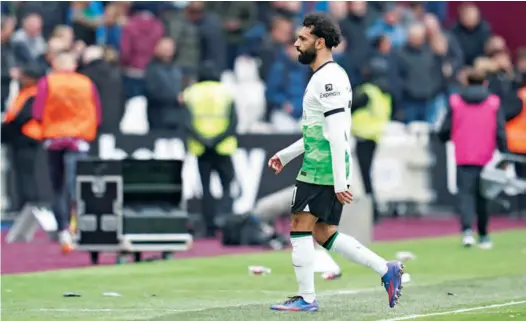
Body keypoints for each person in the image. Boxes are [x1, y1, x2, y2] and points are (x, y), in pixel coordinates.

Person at [267, 13, 404, 312]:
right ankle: (386, 269)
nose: (296, 43)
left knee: (299, 225)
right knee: (322, 232)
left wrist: (341, 181)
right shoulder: (326, 76)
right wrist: (286, 154)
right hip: (323, 162)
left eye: (302, 39)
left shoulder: (328, 79)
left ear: (319, 42)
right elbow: (319, 131)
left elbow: (339, 134)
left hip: (322, 166)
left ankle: (306, 298)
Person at [32, 52, 101, 254]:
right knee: (78, 184)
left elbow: (37, 111)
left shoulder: (48, 82)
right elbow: (96, 113)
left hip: (54, 139)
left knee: (58, 186)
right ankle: (77, 225)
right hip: (79, 140)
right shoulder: (86, 83)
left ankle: (63, 228)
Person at [438, 68, 508, 249]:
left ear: (466, 82)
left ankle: (467, 231)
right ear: (485, 83)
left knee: (466, 195)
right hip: (486, 156)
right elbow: (500, 130)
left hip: (463, 154)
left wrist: (446, 138)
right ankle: (484, 235)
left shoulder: (456, 102)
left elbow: (445, 129)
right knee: (483, 196)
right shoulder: (493, 103)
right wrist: (505, 153)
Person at [182, 62, 238, 238]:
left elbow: (186, 122)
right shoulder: (226, 92)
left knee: (205, 187)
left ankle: (209, 226)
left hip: (201, 147)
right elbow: (233, 122)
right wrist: (217, 139)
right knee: (227, 185)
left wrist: (203, 140)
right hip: (223, 146)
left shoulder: (190, 93)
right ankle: (227, 222)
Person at [2, 64, 43, 211]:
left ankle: (28, 205)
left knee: (26, 175)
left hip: (27, 136)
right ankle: (21, 203)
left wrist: (5, 131)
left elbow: (23, 117)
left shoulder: (34, 93)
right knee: (19, 174)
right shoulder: (25, 92)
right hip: (19, 137)